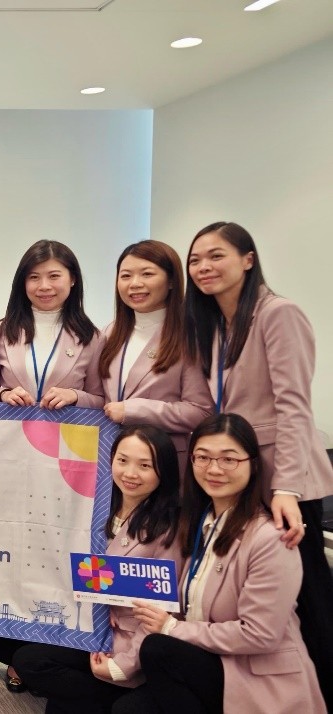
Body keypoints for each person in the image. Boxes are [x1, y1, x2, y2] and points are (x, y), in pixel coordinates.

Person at [184, 221, 333, 702]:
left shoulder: (278, 314)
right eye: (195, 260)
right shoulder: (216, 324)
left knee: (309, 599)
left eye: (216, 256)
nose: (204, 267)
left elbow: (294, 407)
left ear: (248, 260)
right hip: (238, 472)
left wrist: (286, 487)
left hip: (282, 480)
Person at [122, 414, 326, 714]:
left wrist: (172, 627)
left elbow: (259, 635)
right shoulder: (198, 524)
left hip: (256, 674)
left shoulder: (271, 537)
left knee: (158, 650)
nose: (214, 469)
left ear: (253, 464)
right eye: (203, 457)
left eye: (229, 459)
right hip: (209, 660)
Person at [0, 239, 104, 692]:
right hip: (11, 458)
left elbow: (104, 400)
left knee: (54, 556)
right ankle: (12, 657)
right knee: (11, 552)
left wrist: (76, 396)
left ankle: (50, 650)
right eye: (34, 277)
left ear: (72, 280)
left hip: (66, 465)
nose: (44, 286)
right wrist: (2, 394)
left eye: (54, 276)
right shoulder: (3, 330)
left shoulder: (93, 336)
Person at [12, 425, 182, 713]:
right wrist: (100, 607)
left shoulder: (168, 528)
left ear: (162, 471)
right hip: (88, 626)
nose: (130, 473)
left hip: (128, 642)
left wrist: (122, 666)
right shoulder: (96, 503)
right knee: (28, 660)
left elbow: (159, 612)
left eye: (145, 466)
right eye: (122, 460)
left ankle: (114, 696)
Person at [96, 240, 211, 463]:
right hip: (109, 458)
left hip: (161, 459)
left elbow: (199, 412)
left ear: (171, 281)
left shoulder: (190, 336)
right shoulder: (108, 333)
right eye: (126, 276)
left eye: (147, 274)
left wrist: (135, 411)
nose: (135, 284)